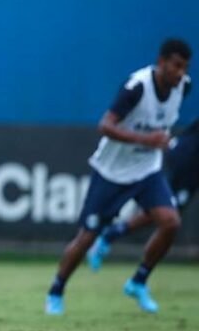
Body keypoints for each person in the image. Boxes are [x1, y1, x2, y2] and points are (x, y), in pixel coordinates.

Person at [45, 39, 191, 316]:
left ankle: (138, 281)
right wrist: (146, 139)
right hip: (111, 171)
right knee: (87, 237)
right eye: (176, 66)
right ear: (161, 62)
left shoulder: (184, 87)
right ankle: (56, 289)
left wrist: (154, 143)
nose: (180, 72)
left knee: (170, 221)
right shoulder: (137, 87)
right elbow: (105, 126)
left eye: (185, 67)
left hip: (147, 170)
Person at [86, 118, 199, 270]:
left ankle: (111, 236)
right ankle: (110, 237)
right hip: (183, 162)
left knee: (168, 215)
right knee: (167, 214)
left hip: (192, 170)